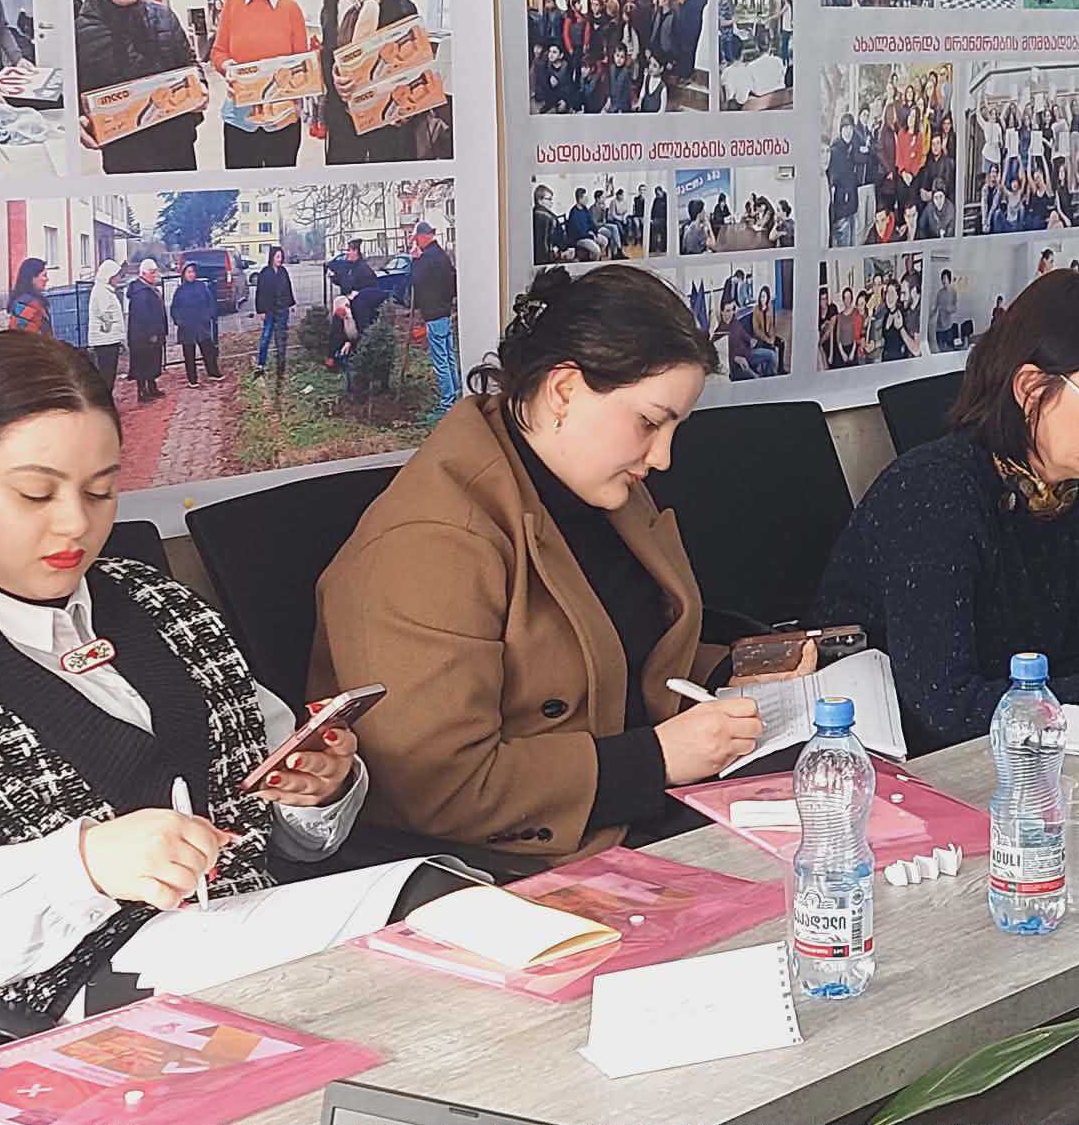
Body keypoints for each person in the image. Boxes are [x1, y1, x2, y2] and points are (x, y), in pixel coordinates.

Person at [0, 331, 479, 1022]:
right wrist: (82, 866)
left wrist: (315, 791)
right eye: (34, 493)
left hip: (250, 937)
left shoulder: (161, 606)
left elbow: (283, 830)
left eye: (101, 490)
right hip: (79, 1000)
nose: (75, 523)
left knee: (463, 915)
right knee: (439, 934)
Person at [313, 266, 774, 855]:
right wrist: (655, 760)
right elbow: (436, 787)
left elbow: (619, 655)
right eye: (649, 422)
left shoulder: (588, 478)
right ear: (563, 391)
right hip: (523, 864)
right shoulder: (431, 542)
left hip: (641, 817)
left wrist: (734, 672)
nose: (663, 456)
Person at [814, 273, 1079, 755]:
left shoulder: (1078, 488)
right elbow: (946, 710)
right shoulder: (933, 494)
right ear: (1031, 389)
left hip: (1031, 744)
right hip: (910, 762)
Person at [76, 0, 204, 174]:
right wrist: (76, 119)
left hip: (178, 143)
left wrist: (201, 86)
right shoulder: (81, 32)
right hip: (125, 154)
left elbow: (190, 62)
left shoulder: (164, 16)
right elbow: (73, 89)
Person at [321, 0, 441, 165]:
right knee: (345, 175)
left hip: (389, 124)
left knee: (386, 175)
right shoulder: (332, 4)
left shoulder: (405, 8)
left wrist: (406, 109)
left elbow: (416, 66)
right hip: (343, 121)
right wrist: (334, 77)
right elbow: (327, 54)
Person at [209, 0, 310, 169]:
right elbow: (218, 52)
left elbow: (302, 63)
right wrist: (227, 66)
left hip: (282, 118)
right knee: (243, 182)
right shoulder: (232, 3)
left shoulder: (292, 9)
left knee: (281, 183)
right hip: (240, 118)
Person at [410, 220, 459, 421]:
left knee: (441, 361)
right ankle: (456, 395)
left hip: (434, 314)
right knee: (449, 357)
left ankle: (447, 404)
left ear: (423, 237)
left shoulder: (426, 259)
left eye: (416, 239)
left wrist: (415, 261)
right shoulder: (442, 256)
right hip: (444, 312)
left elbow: (416, 280)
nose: (415, 243)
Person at [170, 262, 222, 387]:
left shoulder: (201, 286)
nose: (191, 274)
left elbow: (210, 302)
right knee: (189, 354)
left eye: (193, 271)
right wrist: (179, 321)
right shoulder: (180, 290)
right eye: (188, 272)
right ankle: (192, 380)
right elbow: (174, 309)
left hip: (201, 325)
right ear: (184, 274)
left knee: (208, 350)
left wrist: (208, 315)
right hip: (187, 327)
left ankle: (213, 373)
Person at [124, 259, 167, 403]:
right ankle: (142, 391)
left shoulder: (148, 288)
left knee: (153, 361)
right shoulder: (140, 292)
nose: (155, 275)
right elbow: (143, 316)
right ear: (143, 273)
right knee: (143, 363)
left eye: (155, 272)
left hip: (151, 334)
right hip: (142, 336)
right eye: (152, 272)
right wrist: (151, 333)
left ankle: (152, 387)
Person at [254, 246, 295, 374]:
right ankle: (261, 364)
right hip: (269, 310)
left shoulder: (283, 272)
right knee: (266, 336)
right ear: (272, 257)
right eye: (277, 257)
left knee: (281, 337)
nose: (280, 259)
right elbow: (260, 293)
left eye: (281, 257)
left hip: (282, 309)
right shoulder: (265, 273)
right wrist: (260, 310)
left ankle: (281, 365)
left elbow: (288, 288)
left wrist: (291, 304)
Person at [85, 259, 124, 384]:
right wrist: (112, 327)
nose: (118, 278)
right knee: (106, 375)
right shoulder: (102, 291)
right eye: (117, 276)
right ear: (109, 276)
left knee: (109, 374)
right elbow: (105, 315)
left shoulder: (106, 290)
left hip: (109, 338)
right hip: (105, 340)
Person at [5, 258, 51, 338]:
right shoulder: (27, 305)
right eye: (44, 275)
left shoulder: (29, 301)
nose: (47, 279)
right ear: (32, 278)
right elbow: (27, 338)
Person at [933, 268, 959, 350]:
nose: (943, 281)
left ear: (949, 279)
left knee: (949, 349)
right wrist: (932, 313)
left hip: (948, 326)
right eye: (942, 279)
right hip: (939, 327)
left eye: (945, 278)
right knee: (940, 348)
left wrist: (948, 309)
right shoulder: (939, 292)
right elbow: (936, 307)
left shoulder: (953, 292)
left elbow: (955, 308)